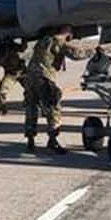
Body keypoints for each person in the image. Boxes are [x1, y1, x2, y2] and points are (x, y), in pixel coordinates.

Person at [24, 25, 92, 154]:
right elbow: (76, 54)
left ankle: (30, 142)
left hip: (30, 77)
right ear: (67, 32)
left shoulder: (44, 39)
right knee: (53, 108)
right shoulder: (59, 41)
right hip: (44, 78)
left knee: (31, 108)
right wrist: (93, 51)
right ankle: (52, 141)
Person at [0, 38, 27, 115]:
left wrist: (24, 39)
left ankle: (38, 106)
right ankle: (3, 109)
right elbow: (2, 58)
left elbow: (22, 48)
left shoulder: (8, 46)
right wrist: (8, 46)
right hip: (11, 74)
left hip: (21, 71)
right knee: (2, 90)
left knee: (33, 88)